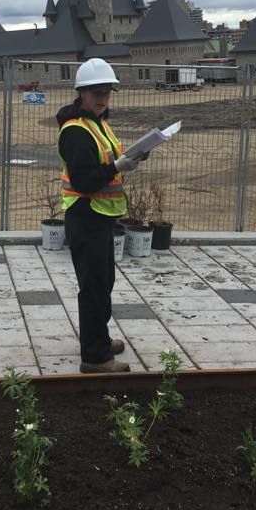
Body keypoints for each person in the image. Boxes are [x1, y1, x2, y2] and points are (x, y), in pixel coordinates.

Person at [56, 58, 147, 373]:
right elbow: (84, 181)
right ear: (81, 93)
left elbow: (106, 164)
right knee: (93, 286)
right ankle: (95, 357)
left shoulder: (98, 122)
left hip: (100, 217)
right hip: (85, 216)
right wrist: (118, 167)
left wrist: (127, 160)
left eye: (107, 92)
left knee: (103, 281)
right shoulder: (76, 132)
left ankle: (99, 339)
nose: (102, 98)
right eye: (96, 92)